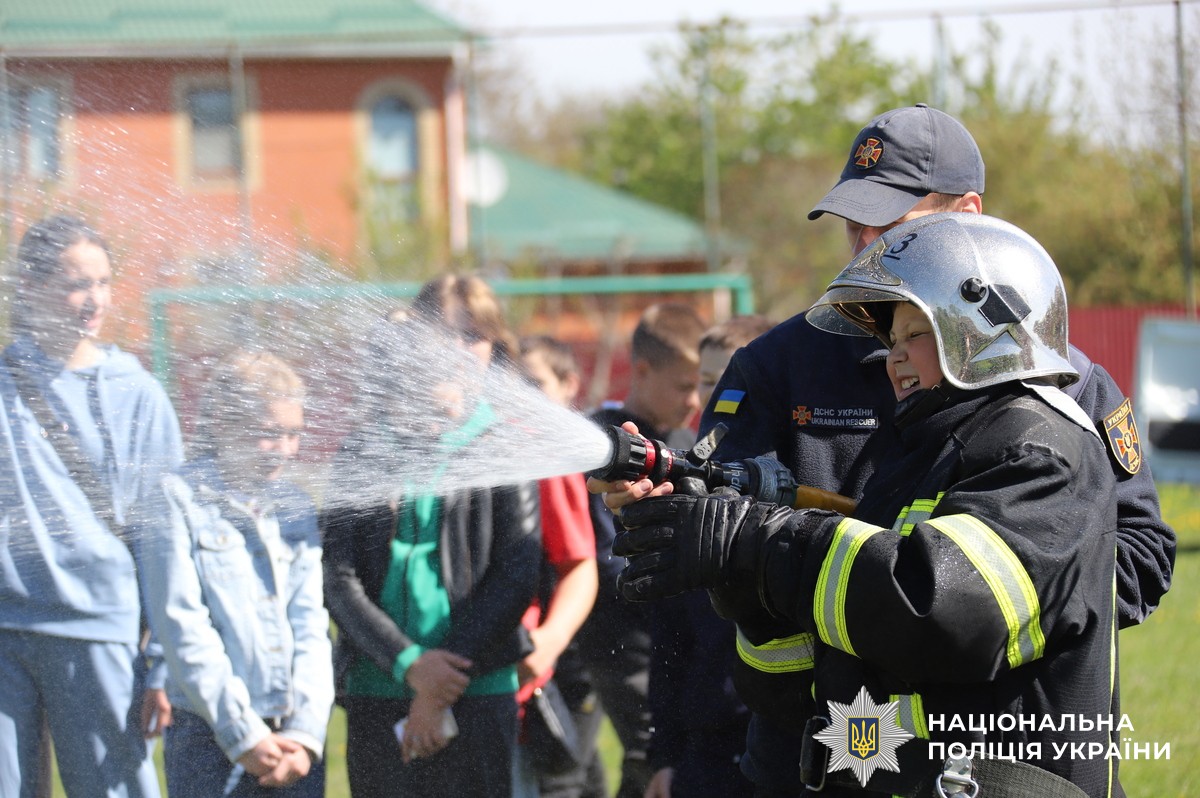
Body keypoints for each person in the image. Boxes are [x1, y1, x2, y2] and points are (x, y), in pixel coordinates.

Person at [593, 104, 1175, 796]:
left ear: (969, 213)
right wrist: (687, 515)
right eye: (853, 224)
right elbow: (725, 523)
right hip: (819, 751)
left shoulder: (1061, 391)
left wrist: (1020, 583)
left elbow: (1127, 556)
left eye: (891, 223)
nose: (866, 243)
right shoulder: (780, 364)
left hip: (989, 757)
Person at [322, 275, 542, 797]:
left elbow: (518, 572)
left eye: (474, 337)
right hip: (378, 686)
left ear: (493, 349)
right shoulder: (362, 449)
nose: (459, 351)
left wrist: (439, 685)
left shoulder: (505, 447)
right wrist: (408, 664)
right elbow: (337, 574)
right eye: (444, 336)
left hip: (478, 686)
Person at [0, 215, 183, 797]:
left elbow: (165, 539)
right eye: (78, 284)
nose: (94, 300)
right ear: (28, 286)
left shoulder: (138, 393)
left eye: (104, 283)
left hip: (98, 628)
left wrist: (161, 660)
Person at [138, 349, 333, 797]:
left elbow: (310, 624)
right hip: (210, 735)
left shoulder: (296, 507)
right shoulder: (175, 500)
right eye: (269, 434)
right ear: (225, 424)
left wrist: (306, 734)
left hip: (291, 738)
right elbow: (182, 626)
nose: (284, 449)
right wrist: (242, 734)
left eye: (293, 434)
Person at [553, 302, 706, 798]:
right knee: (651, 756)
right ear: (642, 370)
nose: (693, 399)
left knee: (660, 761)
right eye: (684, 385)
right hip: (624, 641)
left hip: (681, 637)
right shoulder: (606, 442)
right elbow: (605, 554)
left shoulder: (687, 441)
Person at [644, 315, 775, 798]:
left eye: (725, 384)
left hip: (782, 743)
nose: (705, 400)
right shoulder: (681, 495)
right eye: (703, 381)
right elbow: (670, 643)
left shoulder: (807, 488)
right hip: (704, 754)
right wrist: (664, 756)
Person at [513, 335, 600, 797]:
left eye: (534, 383)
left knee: (567, 780)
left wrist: (545, 644)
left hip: (551, 668)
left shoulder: (548, 453)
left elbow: (579, 564)